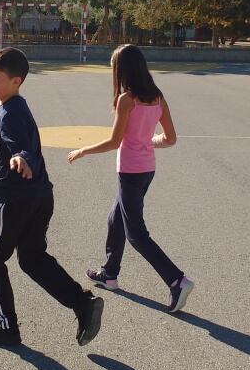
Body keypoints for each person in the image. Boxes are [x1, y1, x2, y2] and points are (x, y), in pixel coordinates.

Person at [0, 47, 103, 347]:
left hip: (12, 200)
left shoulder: (9, 113)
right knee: (32, 258)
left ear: (16, 81)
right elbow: (5, 145)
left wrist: (21, 157)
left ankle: (6, 326)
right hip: (39, 197)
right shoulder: (15, 107)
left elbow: (19, 146)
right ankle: (83, 303)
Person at [67, 44, 193, 313]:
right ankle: (109, 274)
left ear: (121, 70)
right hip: (147, 170)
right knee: (116, 218)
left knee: (136, 234)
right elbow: (170, 139)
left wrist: (83, 150)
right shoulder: (157, 97)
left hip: (131, 171)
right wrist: (147, 141)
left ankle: (176, 280)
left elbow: (114, 141)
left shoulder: (127, 99)